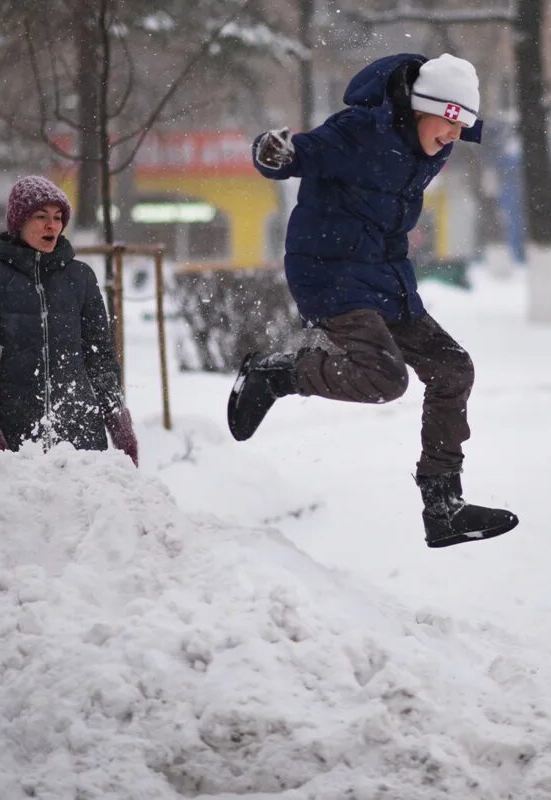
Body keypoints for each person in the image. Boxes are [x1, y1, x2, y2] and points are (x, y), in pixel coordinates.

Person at [228, 52, 517, 548]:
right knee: (384, 379)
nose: (451, 137)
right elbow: (298, 154)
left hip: (384, 278)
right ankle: (278, 374)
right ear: (421, 106)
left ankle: (443, 507)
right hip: (328, 272)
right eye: (447, 123)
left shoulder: (431, 148)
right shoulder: (360, 130)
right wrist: (272, 154)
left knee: (453, 369)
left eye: (459, 127)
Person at [0, 175, 138, 465]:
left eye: (58, 217)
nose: (52, 225)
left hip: (81, 435)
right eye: (41, 216)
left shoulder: (81, 277)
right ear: (18, 222)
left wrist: (118, 421)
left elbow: (99, 354)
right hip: (13, 434)